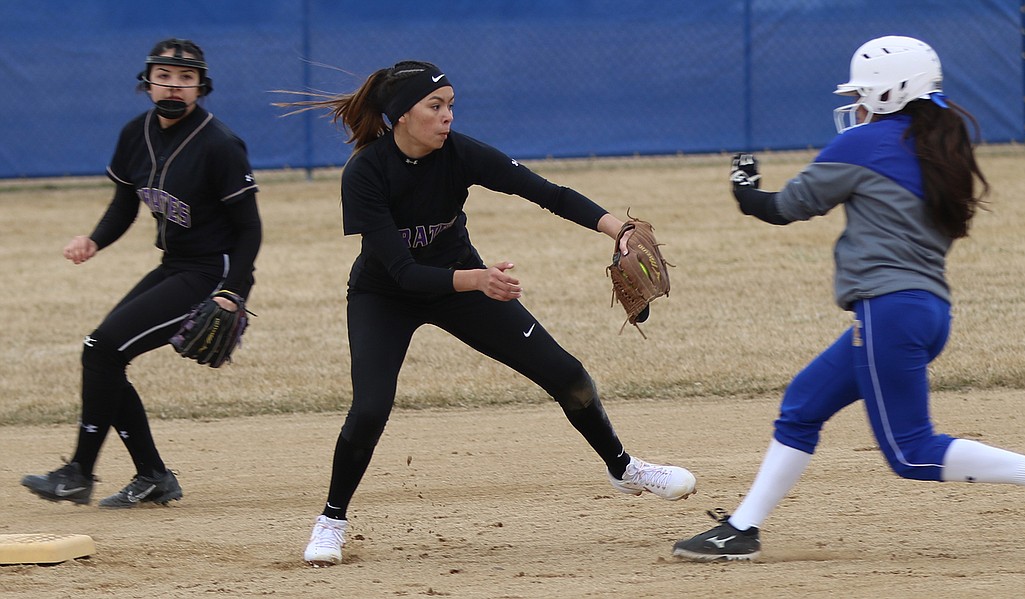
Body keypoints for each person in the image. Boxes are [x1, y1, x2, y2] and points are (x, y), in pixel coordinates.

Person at [671, 35, 1025, 561]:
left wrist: (744, 190)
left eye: (865, 94)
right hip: (923, 311)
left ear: (893, 91)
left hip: (890, 311)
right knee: (801, 407)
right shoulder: (939, 146)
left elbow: (785, 207)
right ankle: (742, 528)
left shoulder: (864, 144)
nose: (858, 105)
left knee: (910, 453)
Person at [274, 60, 696, 566]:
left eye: (450, 104)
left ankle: (623, 468)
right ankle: (331, 520)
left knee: (568, 375)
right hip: (385, 296)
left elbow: (547, 193)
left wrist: (616, 229)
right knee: (369, 408)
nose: (448, 115)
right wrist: (478, 280)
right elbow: (405, 274)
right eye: (436, 106)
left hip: (462, 283)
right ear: (401, 116)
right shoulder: (365, 173)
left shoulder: (459, 153)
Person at [20, 38, 262, 509]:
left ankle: (78, 474)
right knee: (105, 354)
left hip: (210, 274)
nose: (175, 85)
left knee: (103, 349)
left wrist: (235, 290)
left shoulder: (220, 145)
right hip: (174, 266)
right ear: (148, 82)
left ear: (201, 87)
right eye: (165, 76)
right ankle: (151, 475)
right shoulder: (136, 132)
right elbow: (125, 202)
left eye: (186, 78)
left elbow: (249, 229)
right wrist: (94, 239)